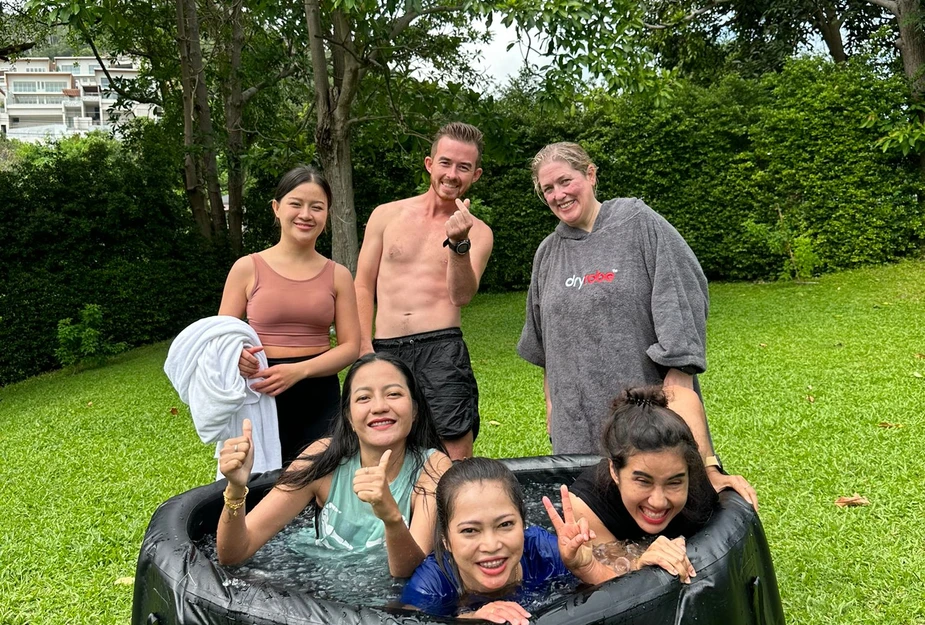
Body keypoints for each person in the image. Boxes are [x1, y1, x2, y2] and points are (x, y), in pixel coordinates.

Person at [518, 141, 708, 457]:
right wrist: (552, 405)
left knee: (655, 499)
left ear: (590, 174)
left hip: (647, 413)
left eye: (565, 181)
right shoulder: (548, 254)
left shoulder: (637, 222)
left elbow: (682, 290)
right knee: (589, 502)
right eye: (547, 188)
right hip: (576, 426)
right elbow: (546, 344)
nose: (558, 194)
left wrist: (680, 374)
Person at [217, 353, 453, 577]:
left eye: (393, 394)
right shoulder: (324, 458)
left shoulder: (432, 467)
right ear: (349, 417)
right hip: (317, 573)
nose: (379, 406)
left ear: (415, 411)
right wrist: (236, 489)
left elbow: (410, 573)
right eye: (363, 398)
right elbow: (235, 554)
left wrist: (391, 517)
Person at [355, 122, 494, 460]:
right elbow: (361, 284)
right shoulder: (385, 215)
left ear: (475, 175)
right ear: (429, 164)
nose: (452, 174)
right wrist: (363, 348)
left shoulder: (480, 232)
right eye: (445, 163)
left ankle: (451, 513)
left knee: (454, 449)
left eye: (464, 167)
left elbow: (461, 296)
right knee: (382, 447)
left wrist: (458, 244)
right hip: (385, 348)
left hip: (442, 348)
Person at [219, 166, 360, 464]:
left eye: (317, 207)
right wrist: (237, 356)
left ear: (327, 214)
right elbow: (221, 340)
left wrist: (299, 371)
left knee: (318, 480)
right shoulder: (247, 267)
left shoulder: (339, 276)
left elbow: (351, 347)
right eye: (296, 204)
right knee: (259, 483)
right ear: (277, 208)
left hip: (319, 393)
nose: (306, 214)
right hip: (260, 391)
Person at [400, 457, 608, 625]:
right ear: (445, 539)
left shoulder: (543, 552)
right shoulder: (433, 583)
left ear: (523, 523)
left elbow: (630, 596)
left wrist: (587, 567)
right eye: (470, 530)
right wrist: (469, 620)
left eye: (505, 525)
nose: (491, 545)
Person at [561, 385, 729, 583]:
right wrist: (638, 564)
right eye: (642, 481)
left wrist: (712, 469)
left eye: (674, 483)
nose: (658, 502)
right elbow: (608, 574)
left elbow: (684, 396)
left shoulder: (696, 483)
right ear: (614, 471)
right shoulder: (587, 505)